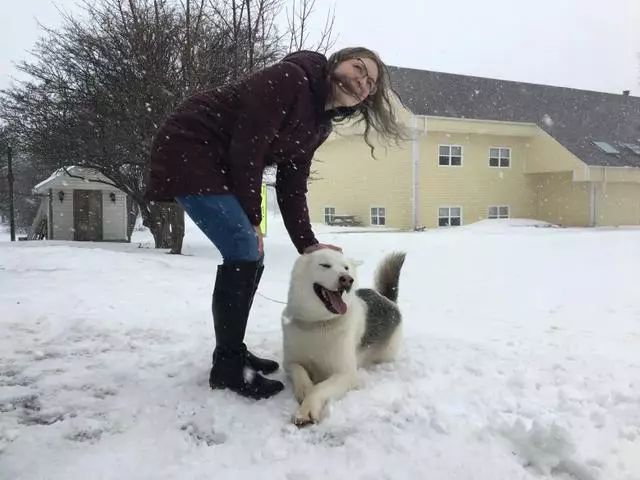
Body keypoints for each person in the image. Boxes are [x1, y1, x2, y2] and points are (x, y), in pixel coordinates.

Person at [144, 47, 405, 400]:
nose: (362, 80)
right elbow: (248, 147)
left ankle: (232, 349)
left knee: (252, 253)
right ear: (336, 63)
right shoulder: (290, 80)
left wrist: (308, 243)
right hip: (192, 148)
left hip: (220, 164)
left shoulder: (319, 123)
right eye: (358, 67)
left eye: (370, 82)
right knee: (244, 246)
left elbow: (291, 182)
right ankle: (227, 366)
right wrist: (253, 217)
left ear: (365, 98)